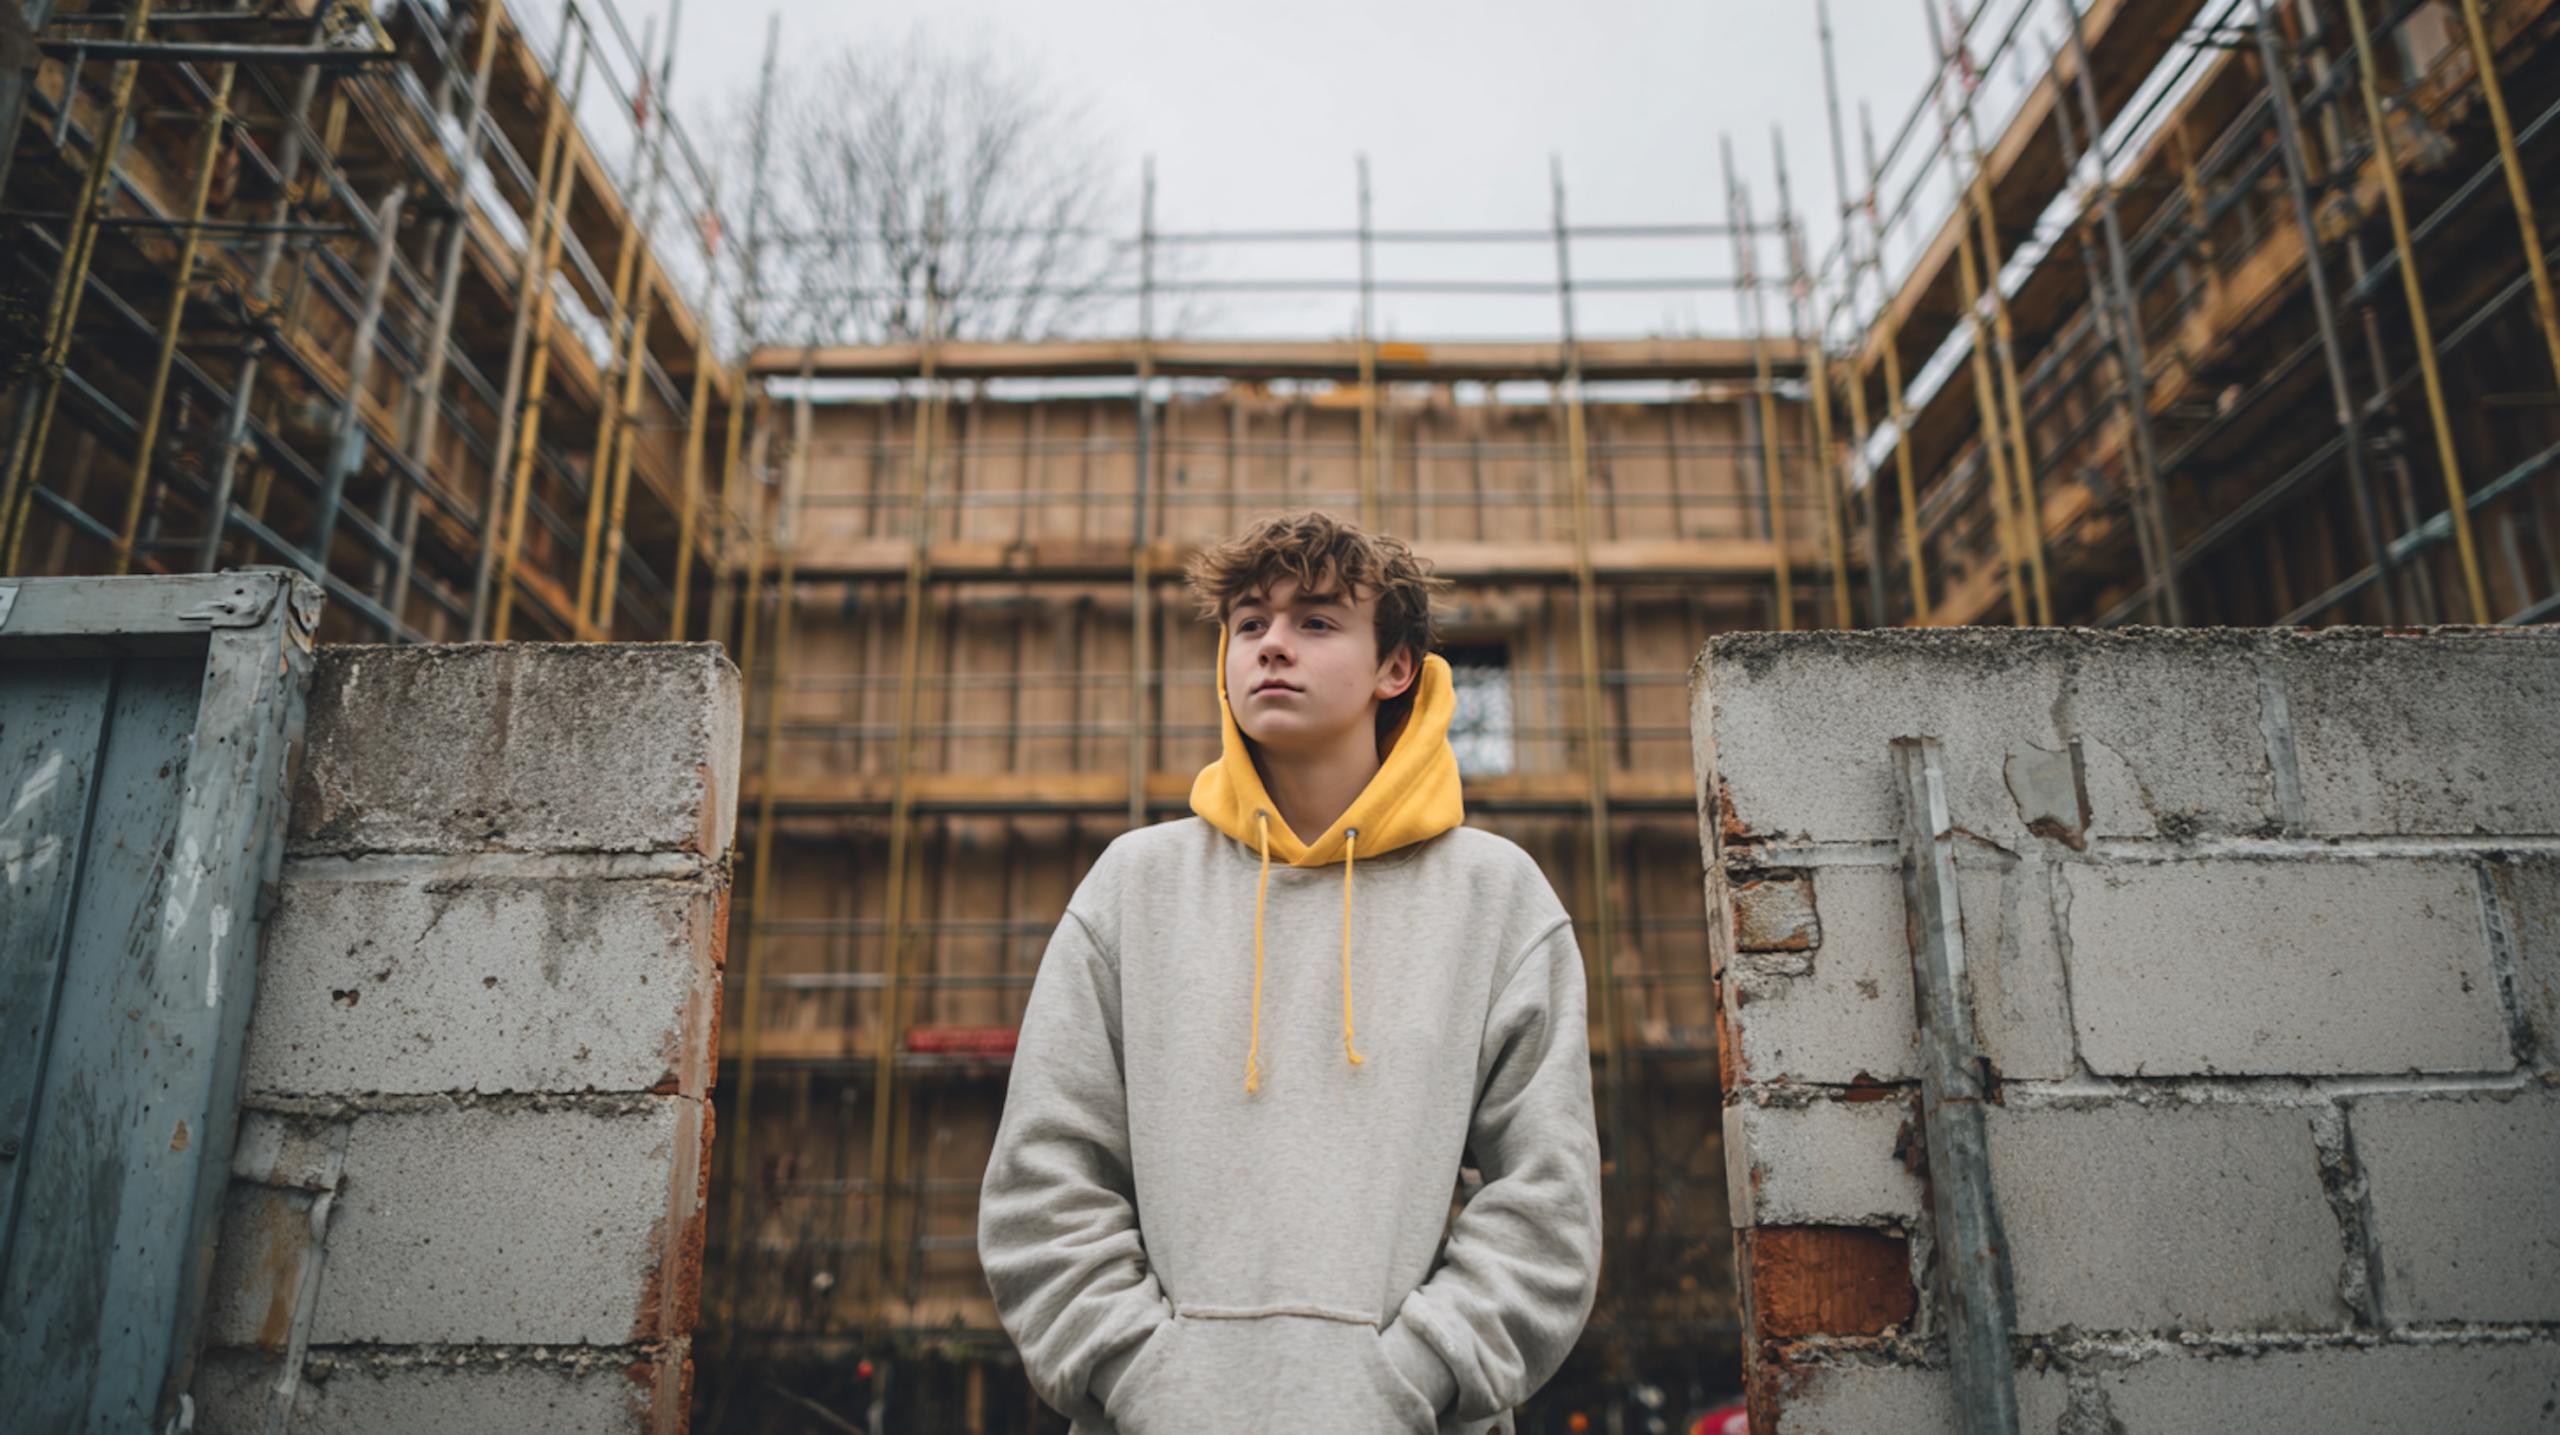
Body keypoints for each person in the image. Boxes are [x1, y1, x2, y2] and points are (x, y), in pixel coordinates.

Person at [979, 509, 1603, 1434]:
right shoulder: (1132, 885)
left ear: (1397, 668)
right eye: (1249, 624)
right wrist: (1145, 1373)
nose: (1273, 645)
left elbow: (1546, 1202)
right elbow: (1047, 1178)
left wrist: (1409, 1377)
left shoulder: (1495, 897)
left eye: (1315, 621)